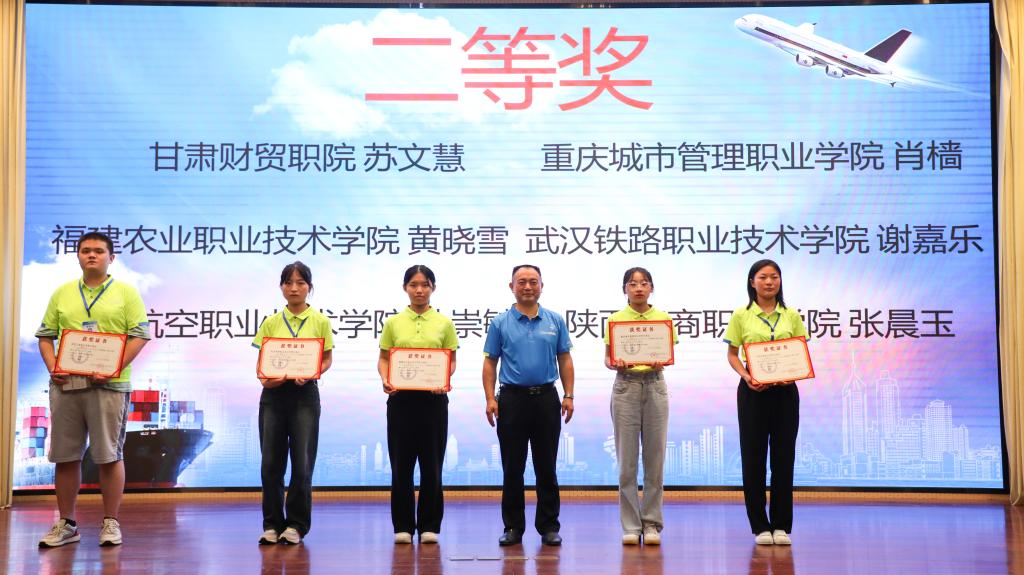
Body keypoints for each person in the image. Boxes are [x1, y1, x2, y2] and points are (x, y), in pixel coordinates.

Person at [36, 231, 151, 548]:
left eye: (99, 251)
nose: (91, 255)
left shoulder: (127, 293)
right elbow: (45, 336)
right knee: (65, 456)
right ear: (78, 256)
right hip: (67, 385)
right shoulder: (62, 293)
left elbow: (140, 335)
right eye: (85, 250)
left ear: (111, 258)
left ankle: (111, 522)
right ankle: (67, 524)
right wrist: (53, 367)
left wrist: (112, 367)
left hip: (109, 386)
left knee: (109, 456)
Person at [482, 264, 574, 547]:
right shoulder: (500, 323)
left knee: (547, 466)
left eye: (533, 281)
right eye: (521, 282)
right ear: (511, 287)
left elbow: (565, 359)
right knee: (513, 467)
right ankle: (513, 527)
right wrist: (490, 398)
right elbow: (490, 362)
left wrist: (569, 395)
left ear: (542, 286)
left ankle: (549, 526)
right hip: (512, 400)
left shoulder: (555, 320)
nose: (527, 287)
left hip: (547, 398)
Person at [723, 259, 807, 546]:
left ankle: (781, 525)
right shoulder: (741, 315)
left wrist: (792, 374)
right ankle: (760, 526)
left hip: (786, 393)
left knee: (784, 459)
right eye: (763, 277)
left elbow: (800, 352)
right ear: (752, 282)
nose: (769, 282)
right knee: (753, 458)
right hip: (753, 392)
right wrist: (746, 376)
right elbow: (732, 354)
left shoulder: (791, 315)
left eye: (774, 277)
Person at [253, 261, 334, 545]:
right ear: (281, 287)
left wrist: (313, 372)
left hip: (305, 395)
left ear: (310, 287)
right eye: (288, 282)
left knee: (302, 463)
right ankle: (272, 524)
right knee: (270, 464)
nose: (294, 288)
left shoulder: (320, 321)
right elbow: (261, 366)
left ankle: (296, 525)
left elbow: (327, 359)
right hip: (273, 397)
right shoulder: (271, 322)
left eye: (301, 282)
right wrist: (269, 380)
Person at [377, 265, 459, 545]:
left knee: (432, 465)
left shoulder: (444, 323)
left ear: (433, 288)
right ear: (405, 288)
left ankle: (429, 526)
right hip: (400, 400)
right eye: (413, 285)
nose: (419, 290)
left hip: (434, 401)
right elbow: (385, 358)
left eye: (425, 285)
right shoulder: (393, 322)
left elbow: (451, 361)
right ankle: (402, 525)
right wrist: (385, 378)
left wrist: (444, 378)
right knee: (401, 465)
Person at [604, 267, 677, 546]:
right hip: (626, 385)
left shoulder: (664, 319)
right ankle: (631, 526)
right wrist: (615, 363)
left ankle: (652, 524)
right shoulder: (615, 320)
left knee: (655, 460)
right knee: (627, 463)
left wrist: (662, 359)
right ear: (625, 289)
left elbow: (669, 353)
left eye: (644, 283)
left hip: (655, 384)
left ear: (651, 288)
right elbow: (608, 358)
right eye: (632, 284)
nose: (638, 288)